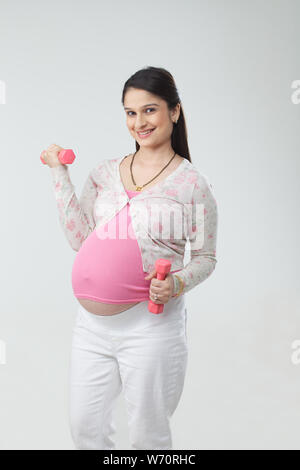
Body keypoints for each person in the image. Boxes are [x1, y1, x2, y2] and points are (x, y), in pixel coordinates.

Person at [42, 66, 218, 450]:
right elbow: (79, 238)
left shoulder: (192, 184)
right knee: (84, 428)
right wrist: (59, 173)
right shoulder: (105, 172)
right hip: (91, 329)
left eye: (149, 110)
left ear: (174, 111)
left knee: (147, 437)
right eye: (130, 112)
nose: (139, 122)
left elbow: (206, 256)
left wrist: (177, 283)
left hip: (151, 329)